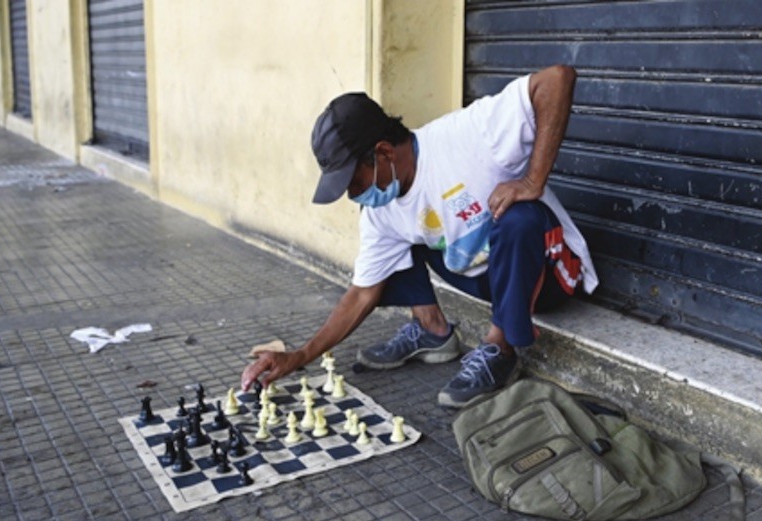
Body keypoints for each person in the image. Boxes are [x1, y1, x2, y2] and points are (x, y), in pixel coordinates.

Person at [241, 65, 598, 408]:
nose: (353, 195)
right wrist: (300, 355)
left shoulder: (469, 135)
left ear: (382, 152)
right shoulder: (382, 209)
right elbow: (363, 291)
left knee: (518, 219)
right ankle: (432, 330)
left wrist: (532, 180)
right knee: (390, 235)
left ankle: (499, 348)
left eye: (354, 182)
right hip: (484, 275)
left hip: (548, 272)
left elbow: (556, 79)